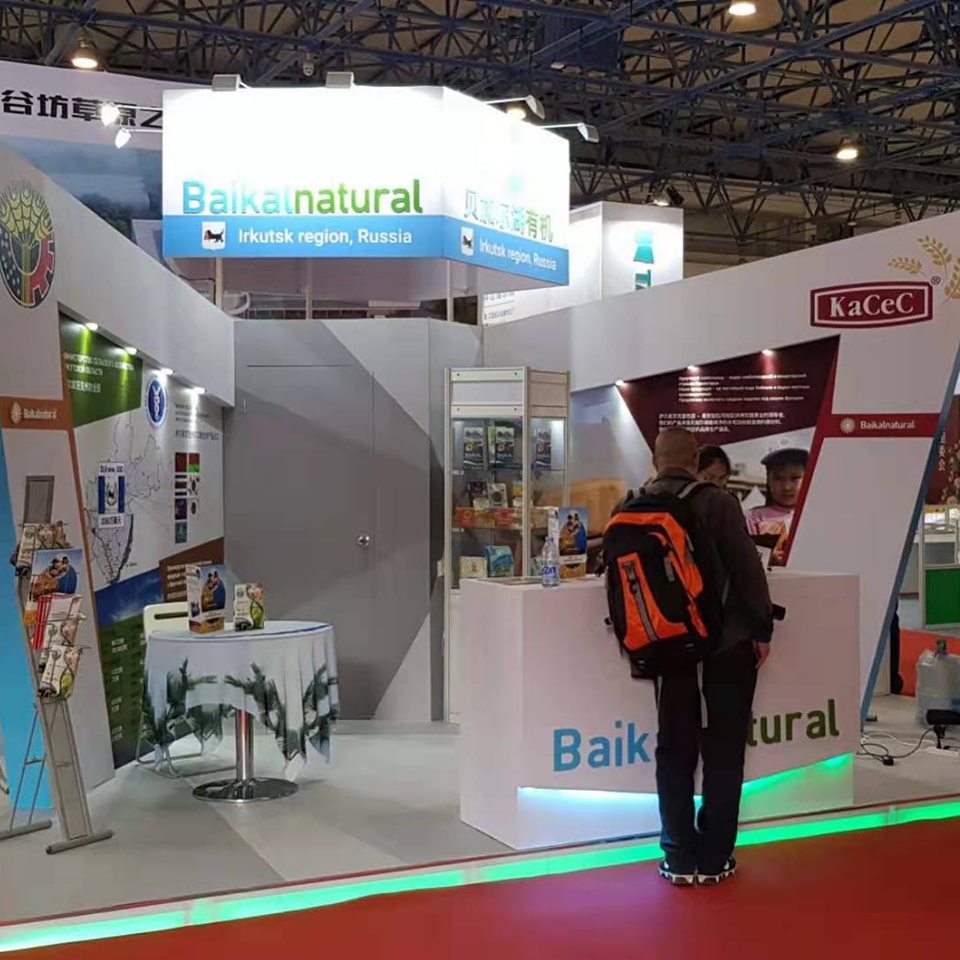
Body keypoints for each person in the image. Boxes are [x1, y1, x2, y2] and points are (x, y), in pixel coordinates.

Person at [644, 427, 775, 886]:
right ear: (696, 459)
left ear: (655, 460)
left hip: (667, 648)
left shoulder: (633, 504)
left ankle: (677, 856)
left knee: (673, 749)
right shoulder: (718, 503)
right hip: (725, 643)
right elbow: (747, 570)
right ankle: (716, 857)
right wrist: (762, 629)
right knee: (724, 749)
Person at [747, 447, 808, 566]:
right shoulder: (753, 517)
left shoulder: (815, 516)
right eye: (778, 478)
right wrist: (766, 558)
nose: (787, 487)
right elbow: (744, 555)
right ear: (768, 481)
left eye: (795, 478)